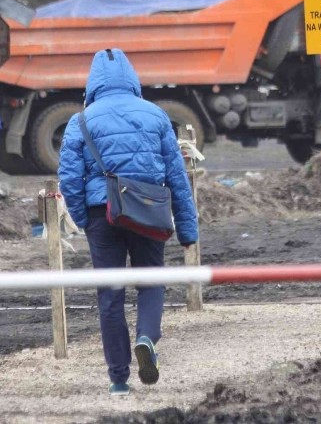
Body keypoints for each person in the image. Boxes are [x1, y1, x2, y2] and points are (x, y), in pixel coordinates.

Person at [58, 48, 198, 396]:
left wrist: (82, 218)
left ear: (93, 82)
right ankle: (147, 339)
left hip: (100, 215)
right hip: (147, 209)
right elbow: (177, 177)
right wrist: (187, 229)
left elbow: (69, 179)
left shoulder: (81, 121)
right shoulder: (156, 115)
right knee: (151, 282)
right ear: (132, 78)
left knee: (110, 295)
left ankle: (119, 379)